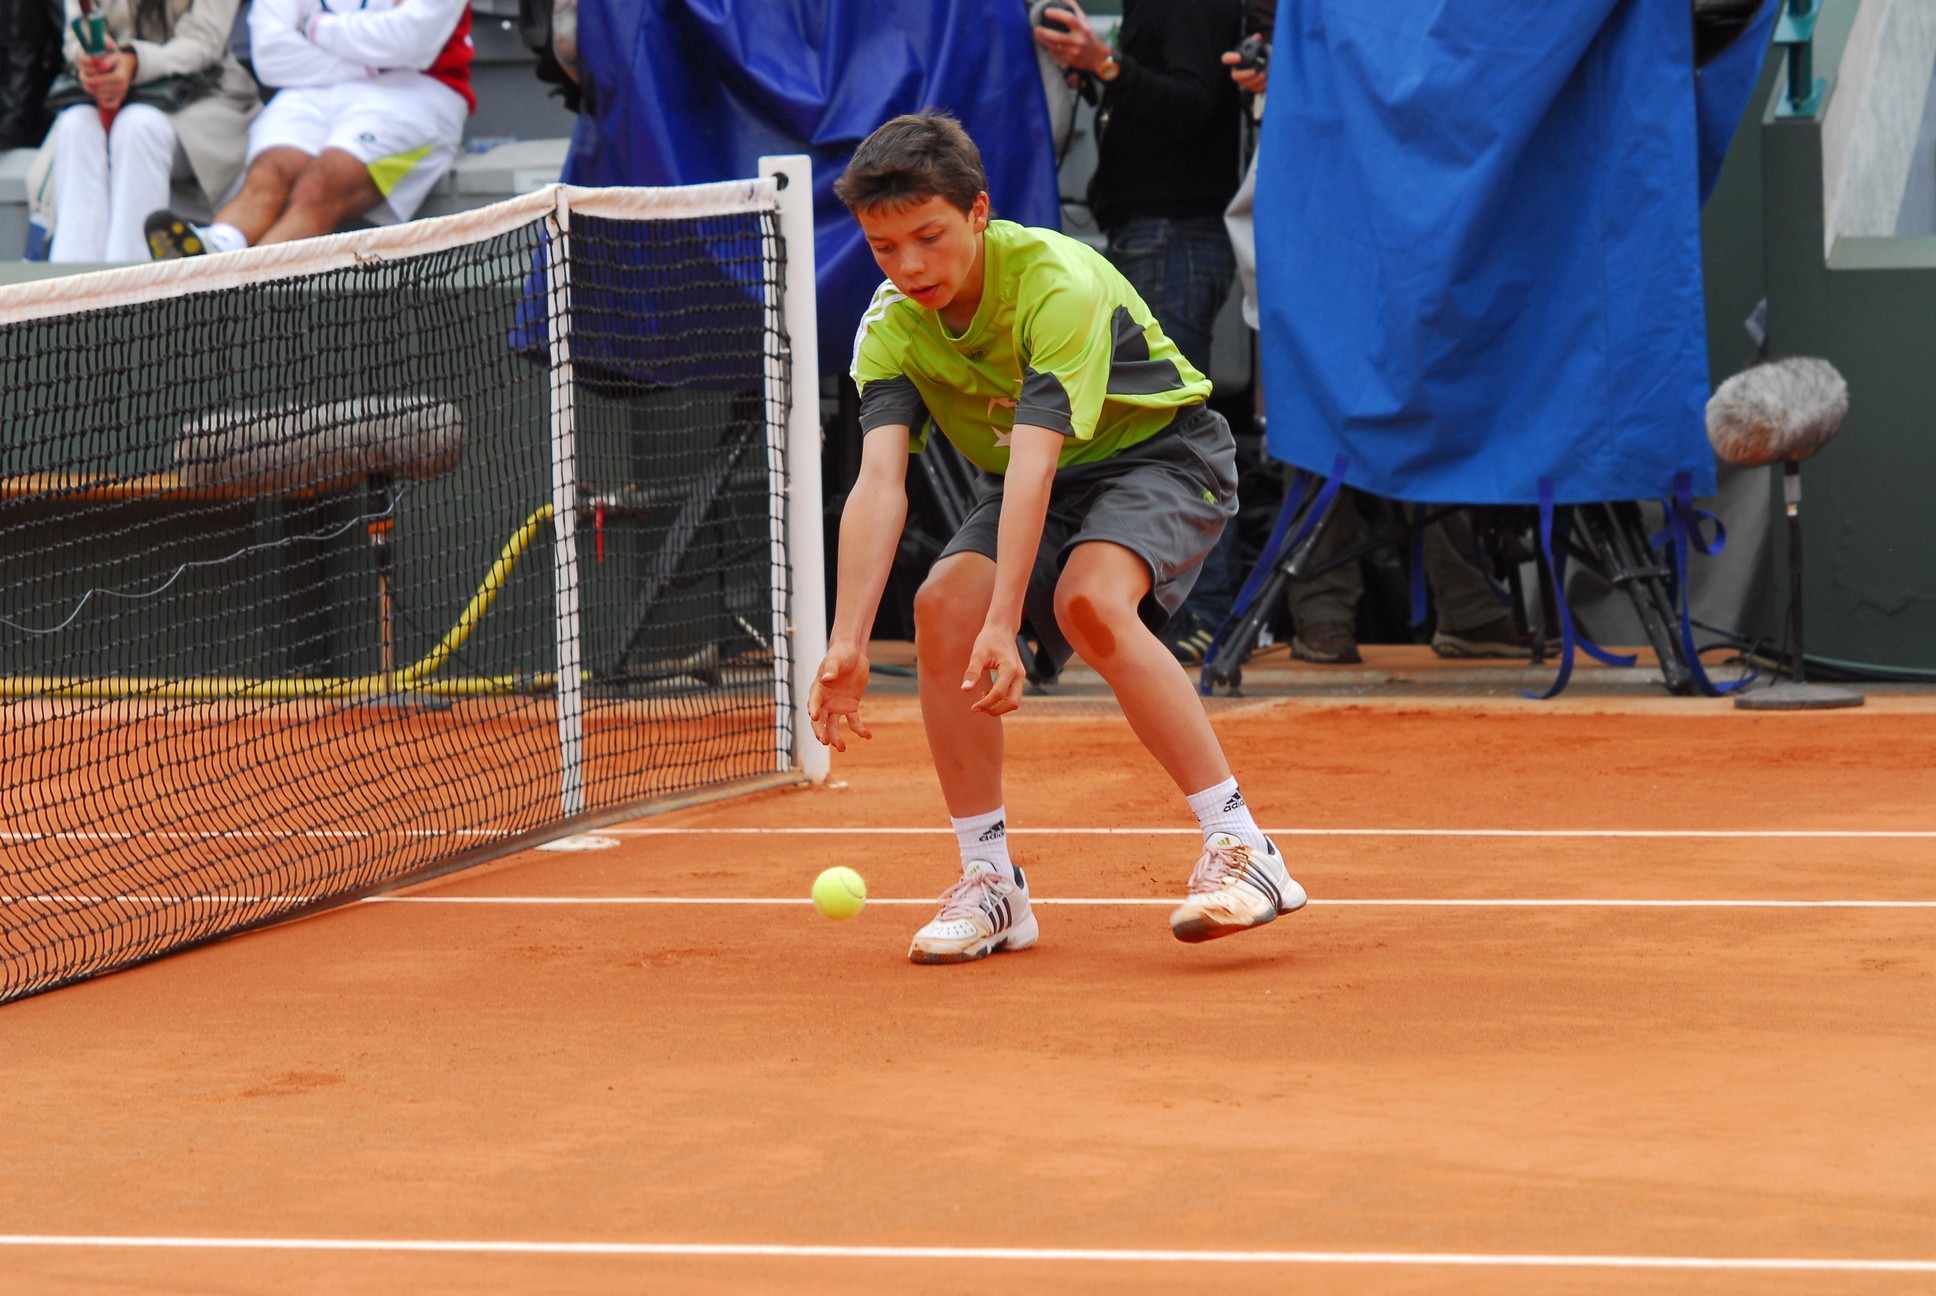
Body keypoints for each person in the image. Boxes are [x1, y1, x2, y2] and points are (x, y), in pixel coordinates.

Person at [810, 112, 1306, 966]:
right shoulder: (890, 325)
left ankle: (1245, 849)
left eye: (927, 237)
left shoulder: (1054, 281)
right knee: (940, 609)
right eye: (884, 248)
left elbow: (1036, 467)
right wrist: (847, 640)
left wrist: (1008, 624)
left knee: (1089, 601)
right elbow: (879, 485)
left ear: (977, 212)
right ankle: (992, 881)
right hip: (1037, 477)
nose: (909, 266)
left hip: (1160, 454)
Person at [1033, 0, 1245, 664]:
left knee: (1176, 438)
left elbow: (1191, 105)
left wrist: (1108, 65)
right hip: (1149, 237)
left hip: (1173, 239)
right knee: (1152, 434)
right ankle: (1178, 617)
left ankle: (1206, 619)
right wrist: (1104, 76)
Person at [144, 0, 473, 258]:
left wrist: (312, 26)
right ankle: (217, 248)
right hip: (311, 90)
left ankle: (249, 290)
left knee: (318, 188)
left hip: (418, 95)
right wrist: (373, 59)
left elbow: (411, 42)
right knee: (269, 174)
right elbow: (270, 56)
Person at [40, 0, 257, 262]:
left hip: (200, 98)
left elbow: (205, 40)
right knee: (75, 124)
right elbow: (76, 37)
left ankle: (133, 290)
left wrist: (135, 61)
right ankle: (72, 289)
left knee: (139, 126)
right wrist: (91, 63)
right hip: (106, 99)